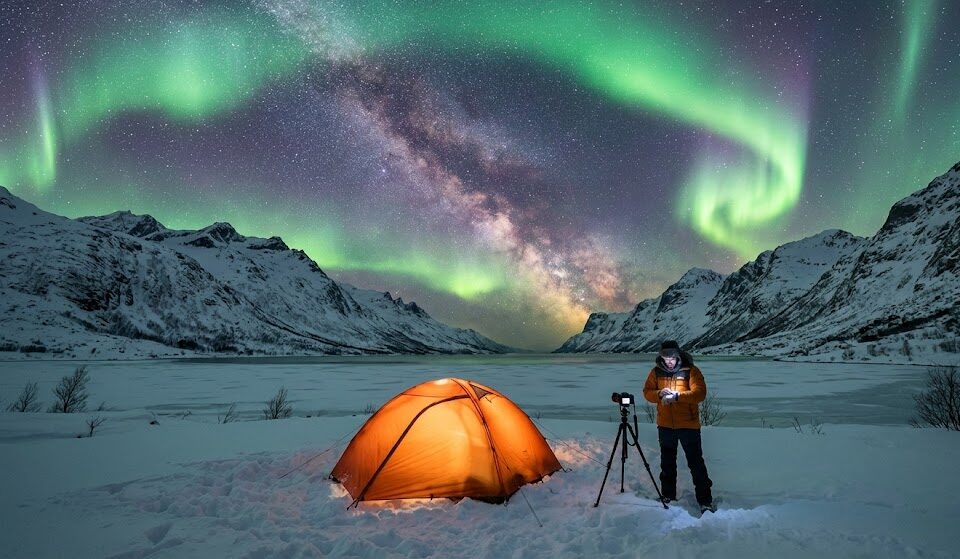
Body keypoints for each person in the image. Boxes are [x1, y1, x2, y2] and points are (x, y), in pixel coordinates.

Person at [642, 340, 715, 512]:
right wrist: (659, 394)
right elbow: (647, 392)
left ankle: (705, 500)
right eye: (665, 357)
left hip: (688, 425)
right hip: (665, 425)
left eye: (672, 357)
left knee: (696, 463)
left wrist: (677, 397)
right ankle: (668, 495)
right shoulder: (656, 372)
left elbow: (699, 394)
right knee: (667, 463)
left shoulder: (691, 371)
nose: (669, 361)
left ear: (678, 355)